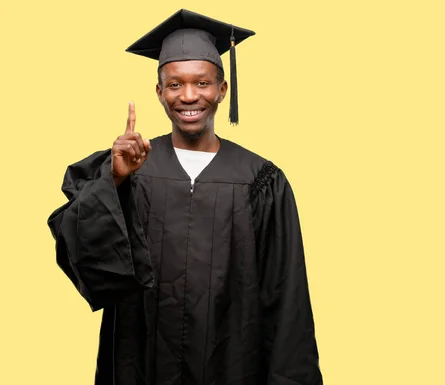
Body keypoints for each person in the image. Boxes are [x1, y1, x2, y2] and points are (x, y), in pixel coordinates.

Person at [47, 9, 322, 385]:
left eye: (202, 83)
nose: (189, 96)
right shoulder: (129, 167)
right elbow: (79, 250)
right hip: (141, 362)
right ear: (159, 92)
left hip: (233, 364)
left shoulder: (261, 180)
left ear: (222, 89)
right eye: (175, 85)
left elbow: (287, 295)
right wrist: (114, 181)